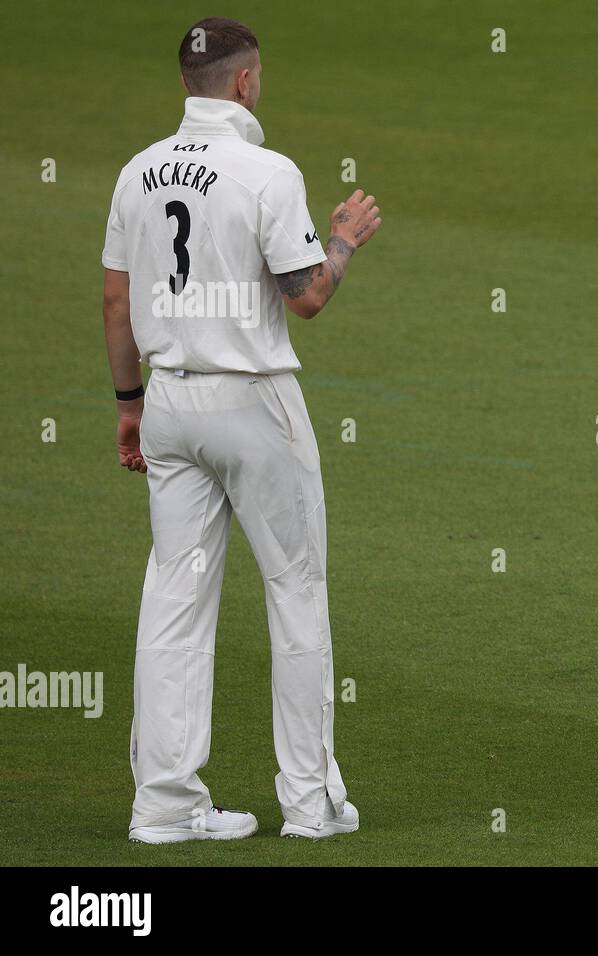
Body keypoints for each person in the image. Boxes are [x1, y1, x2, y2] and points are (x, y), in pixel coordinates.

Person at [101, 16, 382, 841]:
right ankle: (309, 805)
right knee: (295, 592)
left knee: (174, 600)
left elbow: (117, 301)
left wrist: (129, 404)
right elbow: (308, 295)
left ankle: (164, 806)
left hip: (170, 406)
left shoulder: (138, 172)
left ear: (188, 83)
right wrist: (344, 240)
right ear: (246, 82)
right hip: (252, 402)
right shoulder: (267, 171)